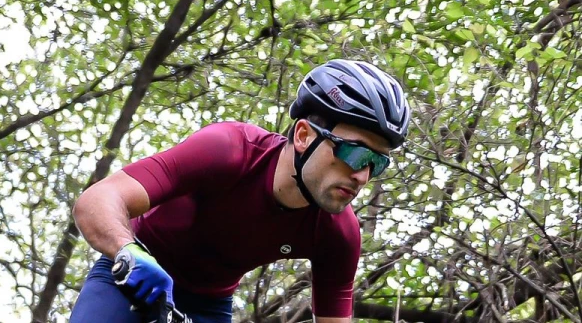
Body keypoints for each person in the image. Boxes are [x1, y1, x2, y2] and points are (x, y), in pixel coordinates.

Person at [70, 59, 411, 323]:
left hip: (207, 308)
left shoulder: (338, 233)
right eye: (355, 153)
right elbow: (98, 200)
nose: (363, 176)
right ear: (304, 136)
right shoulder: (230, 151)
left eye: (377, 163)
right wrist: (127, 251)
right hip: (133, 274)